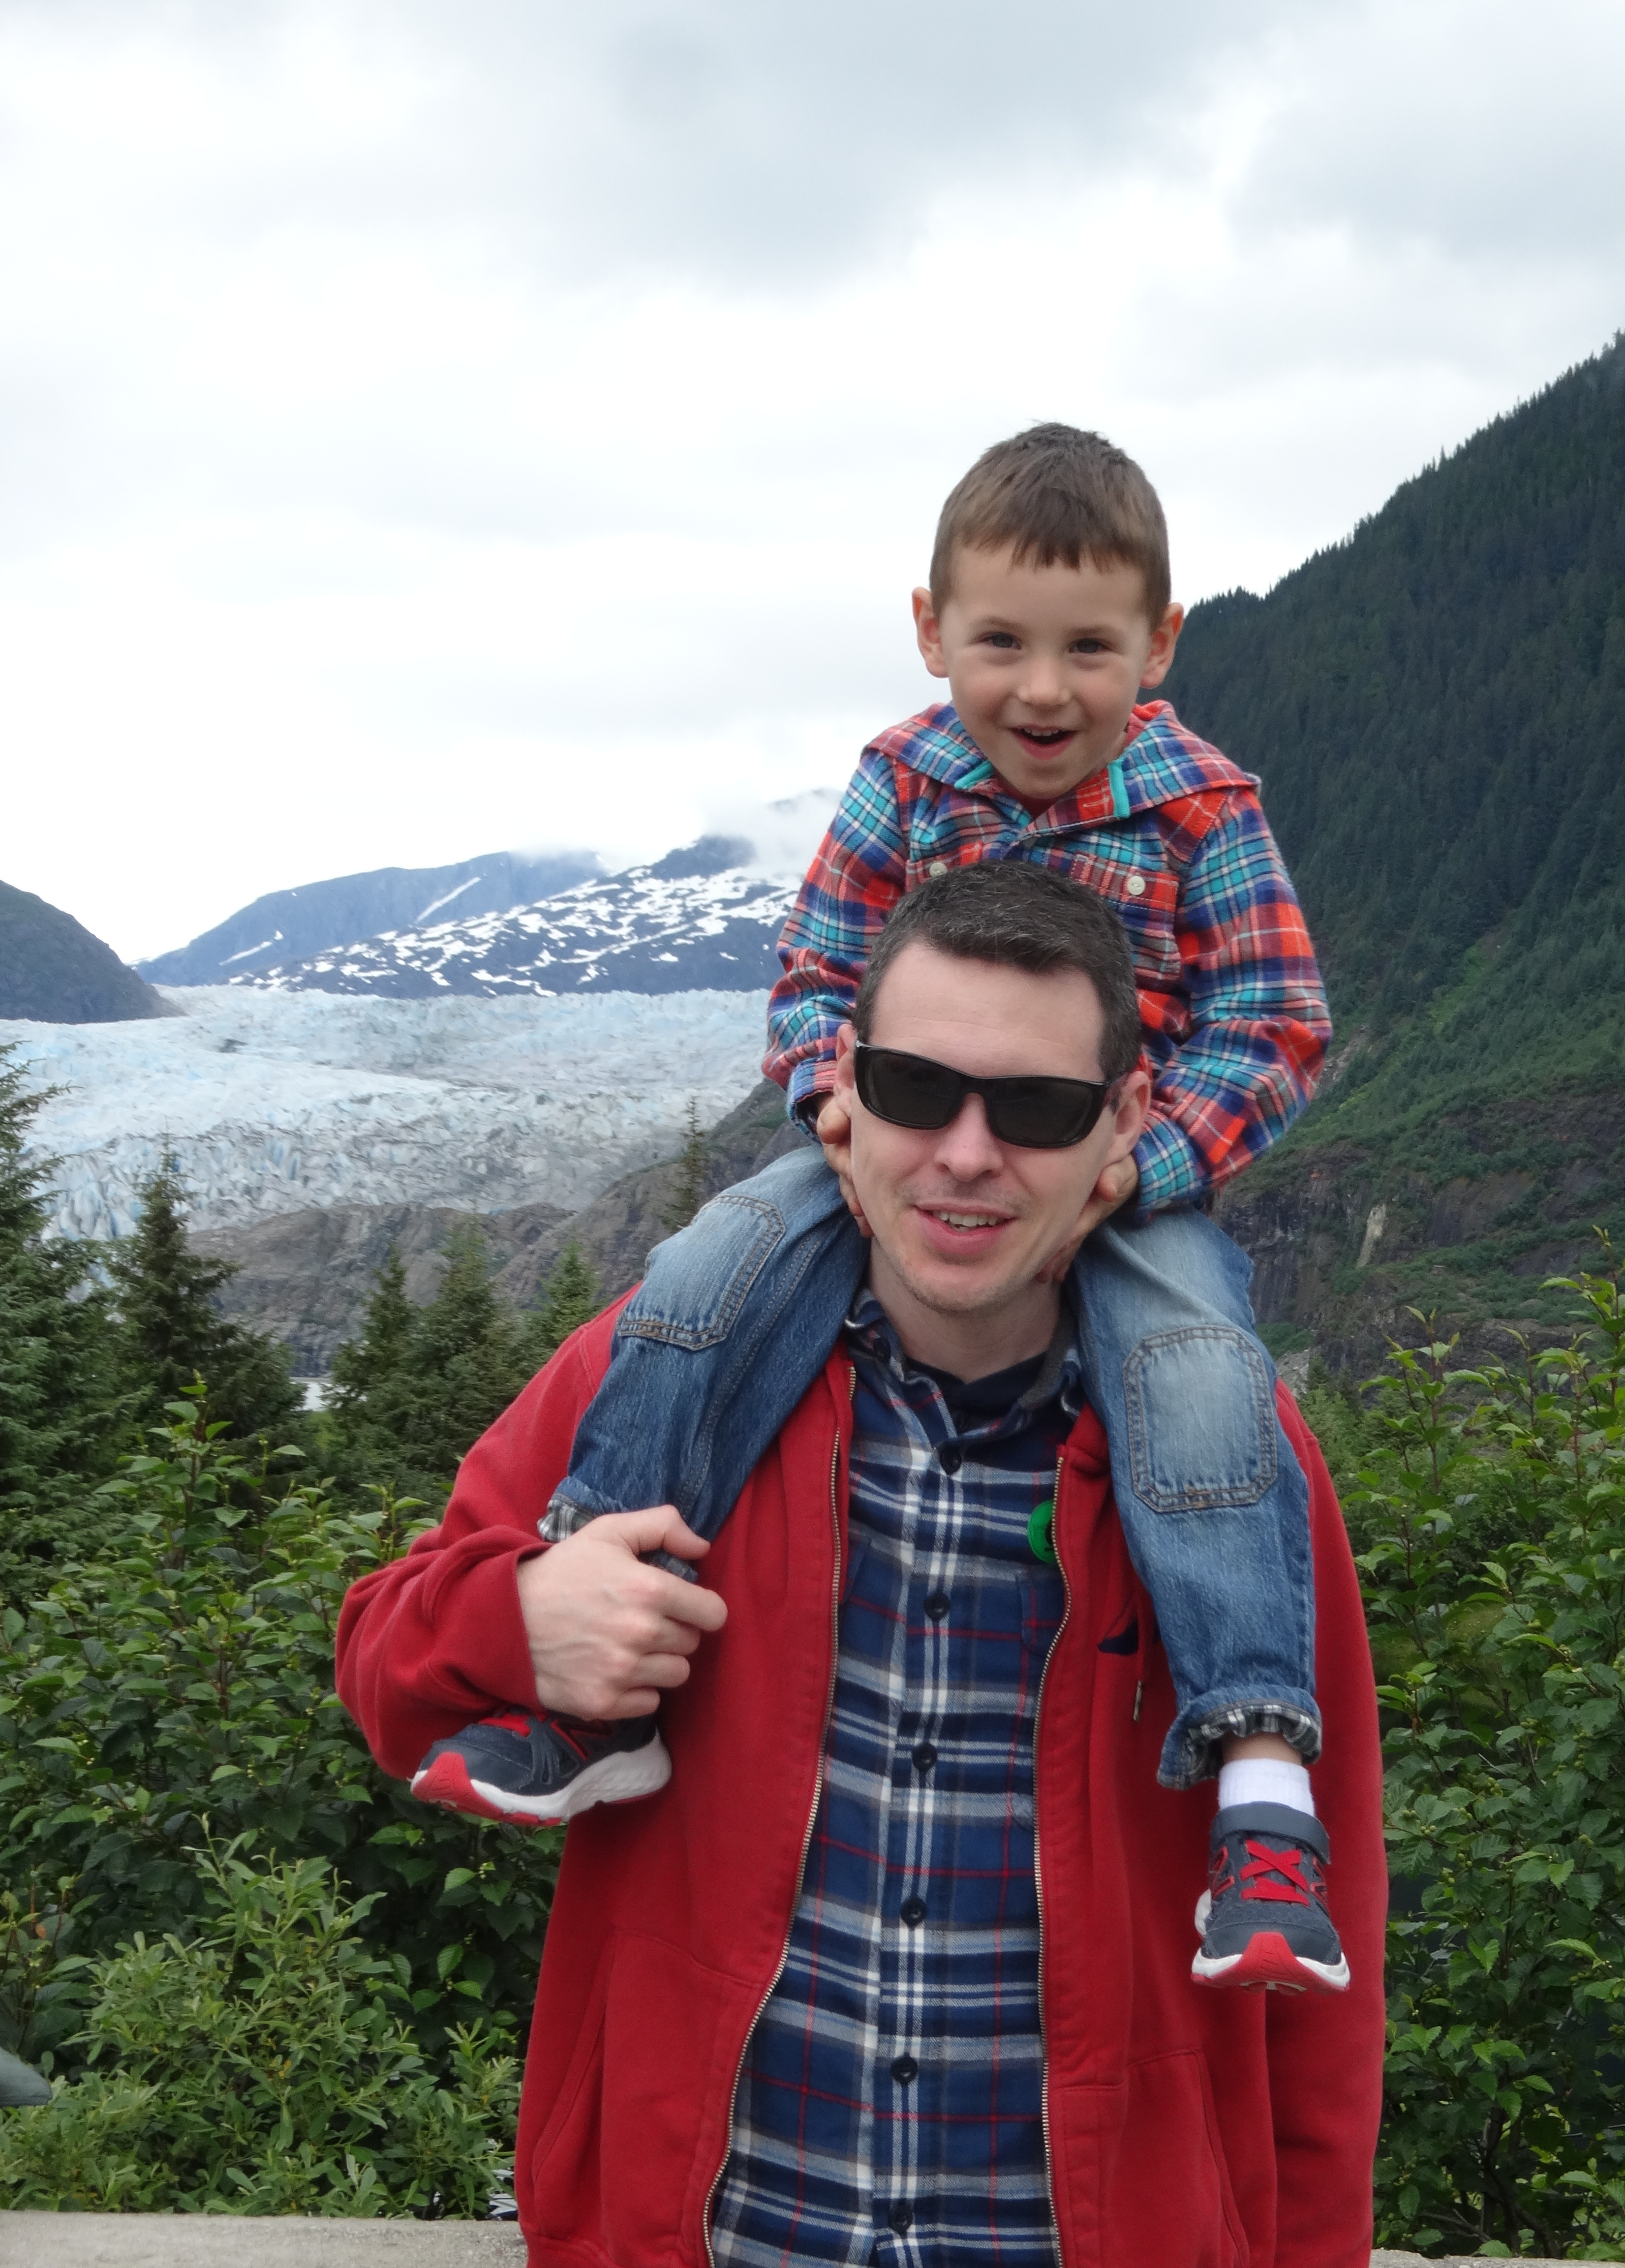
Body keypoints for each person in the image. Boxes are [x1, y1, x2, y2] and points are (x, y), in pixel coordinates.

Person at [336, 868, 1386, 2266]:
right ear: (842, 1087)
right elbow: (384, 1668)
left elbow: (1329, 1920)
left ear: (1126, 1121)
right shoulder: (675, 1374)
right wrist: (517, 1622)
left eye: (1035, 1107)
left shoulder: (1228, 1460)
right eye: (914, 1088)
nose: (966, 1154)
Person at [414, 423, 1339, 1991]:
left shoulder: (1204, 806)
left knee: (1201, 1376)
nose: (1042, 688)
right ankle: (591, 1668)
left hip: (1123, 1176)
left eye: (1088, 647)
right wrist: (836, 1108)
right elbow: (815, 975)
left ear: (1161, 643)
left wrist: (1146, 1159)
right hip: (881, 1153)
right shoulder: (901, 779)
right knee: (708, 1266)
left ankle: (1261, 1792)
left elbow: (1273, 1023)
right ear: (930, 627)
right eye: (1002, 641)